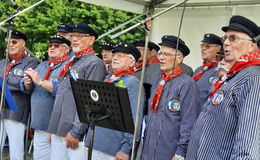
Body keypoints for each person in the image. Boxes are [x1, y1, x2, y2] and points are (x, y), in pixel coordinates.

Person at [186, 15, 260, 160]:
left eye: (233, 38)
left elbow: (248, 147)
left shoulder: (253, 78)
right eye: (225, 38)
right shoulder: (235, 75)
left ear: (252, 45)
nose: (225, 43)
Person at [47, 24, 106, 160]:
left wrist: (76, 132)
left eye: (79, 36)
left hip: (73, 132)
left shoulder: (94, 63)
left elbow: (90, 101)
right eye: (73, 36)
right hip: (59, 128)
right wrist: (53, 127)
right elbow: (62, 94)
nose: (74, 39)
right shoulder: (73, 61)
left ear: (91, 40)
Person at [141, 35, 199, 160]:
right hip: (148, 151)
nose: (161, 58)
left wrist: (180, 153)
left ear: (179, 59)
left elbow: (188, 122)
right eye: (161, 53)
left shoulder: (187, 84)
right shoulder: (158, 80)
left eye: (166, 54)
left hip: (169, 153)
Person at [85, 42, 144, 160]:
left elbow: (134, 118)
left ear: (132, 62)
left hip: (112, 149)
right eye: (115, 54)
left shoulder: (133, 83)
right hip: (93, 142)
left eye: (121, 55)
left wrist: (126, 149)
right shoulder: (107, 78)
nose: (115, 57)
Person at [21, 35, 71, 160]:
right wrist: (27, 84)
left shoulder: (68, 66)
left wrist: (40, 81)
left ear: (66, 49)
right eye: (50, 45)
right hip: (39, 124)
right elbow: (29, 89)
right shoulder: (42, 65)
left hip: (57, 128)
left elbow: (64, 91)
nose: (52, 48)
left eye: (56, 46)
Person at [0, 30, 38, 160]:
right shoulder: (2, 62)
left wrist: (5, 82)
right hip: (1, 109)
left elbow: (24, 84)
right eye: (8, 42)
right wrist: (14, 81)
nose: (10, 45)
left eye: (14, 42)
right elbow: (16, 82)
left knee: (16, 151)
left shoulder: (31, 62)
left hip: (16, 111)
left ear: (23, 44)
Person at [192, 33, 222, 112]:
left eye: (208, 46)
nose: (203, 49)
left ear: (219, 49)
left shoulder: (221, 70)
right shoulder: (198, 70)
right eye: (202, 45)